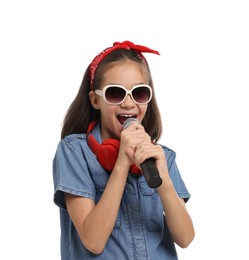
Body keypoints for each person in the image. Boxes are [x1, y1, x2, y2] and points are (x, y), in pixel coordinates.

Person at [53, 40, 195, 260]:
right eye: (115, 93)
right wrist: (122, 164)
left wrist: (164, 179)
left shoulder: (162, 157)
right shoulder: (74, 152)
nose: (129, 104)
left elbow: (185, 238)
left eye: (138, 93)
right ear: (95, 100)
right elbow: (93, 240)